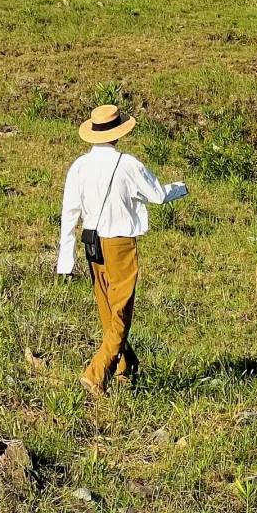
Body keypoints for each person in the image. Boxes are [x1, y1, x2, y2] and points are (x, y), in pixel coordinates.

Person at [57, 102, 188, 395]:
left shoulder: (79, 166)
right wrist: (180, 187)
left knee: (107, 309)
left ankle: (125, 369)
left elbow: (69, 212)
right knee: (120, 313)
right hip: (120, 245)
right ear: (118, 133)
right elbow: (157, 195)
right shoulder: (128, 164)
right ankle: (96, 372)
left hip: (92, 243)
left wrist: (65, 259)